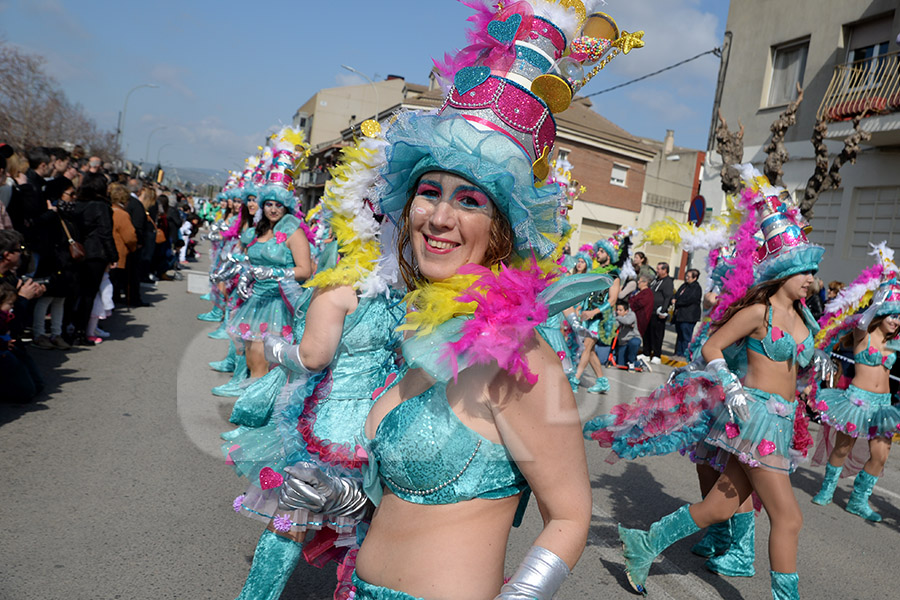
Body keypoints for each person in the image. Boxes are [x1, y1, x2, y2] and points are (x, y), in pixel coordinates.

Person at [268, 3, 640, 595]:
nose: (440, 217)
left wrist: (520, 595)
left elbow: (570, 516)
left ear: (501, 229)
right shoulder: (418, 331)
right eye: (430, 192)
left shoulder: (521, 354)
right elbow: (411, 506)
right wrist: (343, 496)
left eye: (470, 200)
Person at [607, 192, 825, 599]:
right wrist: (731, 385)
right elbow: (712, 347)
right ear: (782, 273)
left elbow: (797, 366)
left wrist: (813, 377)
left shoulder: (803, 316)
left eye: (813, 272)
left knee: (719, 508)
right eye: (804, 272)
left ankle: (644, 544)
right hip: (754, 417)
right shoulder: (759, 313)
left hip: (783, 418)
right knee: (789, 518)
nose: (811, 279)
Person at [810, 272, 900, 522]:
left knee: (880, 456)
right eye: (893, 315)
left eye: (899, 317)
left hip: (883, 406)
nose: (896, 321)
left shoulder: (896, 342)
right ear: (881, 314)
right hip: (857, 401)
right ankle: (827, 489)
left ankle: (858, 499)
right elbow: (861, 321)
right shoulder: (863, 335)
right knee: (843, 448)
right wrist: (880, 298)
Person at [70, 173, 117, 345]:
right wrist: (113, 255)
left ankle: (70, 327)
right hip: (96, 253)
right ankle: (81, 332)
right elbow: (106, 233)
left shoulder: (77, 204)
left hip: (77, 251)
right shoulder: (101, 206)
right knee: (89, 294)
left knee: (76, 292)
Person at [0, 229, 46, 402]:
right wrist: (22, 299)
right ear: (8, 255)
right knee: (24, 392)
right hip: (3, 341)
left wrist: (32, 294)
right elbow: (8, 320)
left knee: (37, 385)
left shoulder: (9, 277)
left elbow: (19, 322)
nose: (23, 253)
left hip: (9, 340)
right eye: (19, 249)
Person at [571, 238, 621, 393]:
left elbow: (612, 300)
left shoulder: (614, 275)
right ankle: (602, 381)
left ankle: (575, 379)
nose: (598, 254)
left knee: (586, 345)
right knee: (590, 351)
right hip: (588, 316)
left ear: (609, 255)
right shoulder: (595, 272)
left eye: (602, 251)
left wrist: (593, 312)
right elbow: (589, 295)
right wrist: (580, 307)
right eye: (597, 251)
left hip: (600, 318)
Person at [108, 183, 138, 305]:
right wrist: (133, 248)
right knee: (114, 283)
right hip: (119, 252)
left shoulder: (108, 210)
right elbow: (130, 236)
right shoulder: (123, 214)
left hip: (107, 250)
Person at [645, 262, 674, 364]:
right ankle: (646, 353)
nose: (657, 271)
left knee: (657, 335)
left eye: (659, 269)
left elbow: (667, 297)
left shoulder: (668, 282)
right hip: (650, 311)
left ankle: (657, 354)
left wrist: (663, 310)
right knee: (647, 333)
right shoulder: (656, 280)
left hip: (658, 313)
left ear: (665, 270)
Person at [672, 268, 702, 358]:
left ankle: (684, 354)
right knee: (680, 335)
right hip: (680, 315)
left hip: (689, 316)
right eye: (686, 276)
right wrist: (674, 298)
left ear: (695, 278)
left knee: (686, 336)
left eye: (689, 277)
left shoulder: (696, 288)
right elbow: (677, 294)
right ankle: (678, 352)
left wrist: (677, 302)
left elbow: (690, 299)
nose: (686, 278)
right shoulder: (684, 285)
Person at [614, 299, 643, 371]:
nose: (618, 312)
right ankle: (639, 363)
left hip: (633, 338)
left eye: (620, 310)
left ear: (626, 311)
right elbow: (614, 325)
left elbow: (627, 321)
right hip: (622, 342)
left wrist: (617, 318)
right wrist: (619, 318)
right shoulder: (615, 314)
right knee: (621, 364)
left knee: (634, 342)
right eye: (617, 310)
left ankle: (631, 362)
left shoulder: (631, 314)